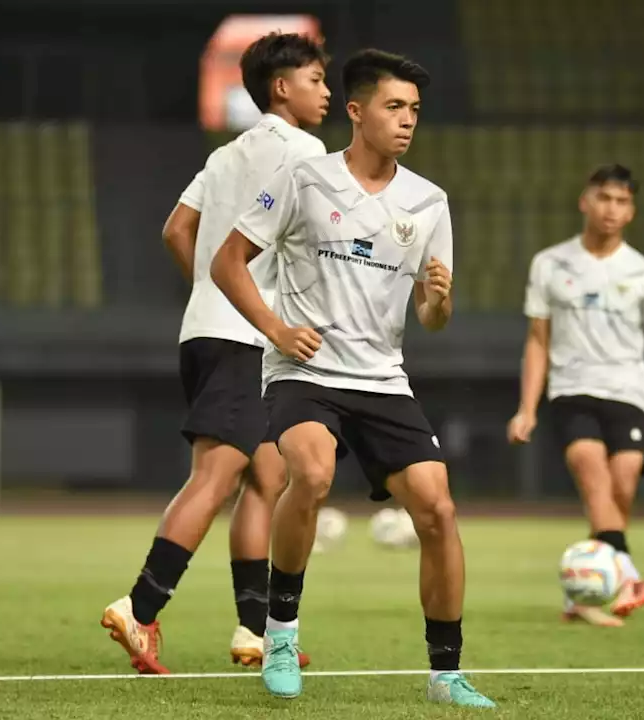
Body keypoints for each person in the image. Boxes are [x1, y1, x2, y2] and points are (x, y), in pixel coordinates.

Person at [211, 48, 496, 708]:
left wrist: (440, 300)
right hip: (303, 371)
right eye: (394, 107)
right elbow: (229, 262)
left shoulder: (429, 202)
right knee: (309, 473)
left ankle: (445, 672)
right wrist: (277, 330)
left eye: (415, 111)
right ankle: (279, 634)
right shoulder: (302, 178)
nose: (406, 121)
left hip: (382, 380)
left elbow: (432, 318)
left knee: (437, 506)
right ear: (357, 110)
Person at [101, 31, 330, 674]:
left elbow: (178, 229)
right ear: (282, 87)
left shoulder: (227, 154)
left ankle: (254, 632)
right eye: (316, 79)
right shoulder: (306, 151)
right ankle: (140, 608)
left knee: (267, 476)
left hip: (209, 328)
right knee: (217, 475)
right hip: (247, 338)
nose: (327, 91)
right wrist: (254, 305)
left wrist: (210, 288)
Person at [506, 165, 644, 627]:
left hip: (628, 392)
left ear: (631, 211)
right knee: (594, 477)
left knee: (621, 485)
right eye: (604, 198)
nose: (612, 208)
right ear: (584, 202)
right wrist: (527, 407)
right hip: (572, 389)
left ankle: (582, 595)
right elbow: (537, 339)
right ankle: (628, 575)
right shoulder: (550, 263)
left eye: (622, 201)